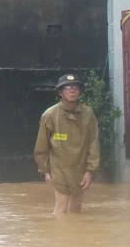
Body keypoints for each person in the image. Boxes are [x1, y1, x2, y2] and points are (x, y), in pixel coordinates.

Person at [34, 72, 100, 214]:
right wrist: (45, 171)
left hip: (80, 168)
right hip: (59, 169)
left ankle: (73, 229)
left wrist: (90, 171)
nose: (72, 90)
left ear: (80, 91)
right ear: (60, 92)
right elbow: (41, 146)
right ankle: (59, 229)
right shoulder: (50, 115)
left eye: (75, 87)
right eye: (67, 87)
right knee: (61, 207)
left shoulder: (88, 114)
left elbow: (93, 143)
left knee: (76, 208)